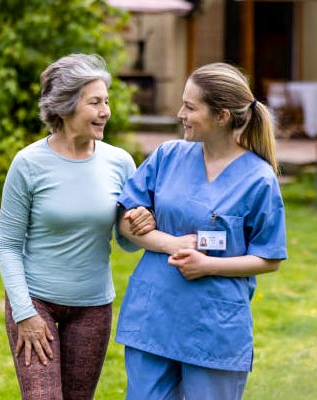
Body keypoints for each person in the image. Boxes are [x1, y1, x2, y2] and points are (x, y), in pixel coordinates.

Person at [116, 62, 287, 400]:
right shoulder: (167, 156)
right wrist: (170, 242)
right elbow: (124, 221)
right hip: (154, 317)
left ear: (221, 116)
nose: (180, 114)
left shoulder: (258, 178)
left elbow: (269, 258)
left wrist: (209, 265)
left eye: (190, 107)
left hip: (214, 329)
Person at [0, 53, 155, 400]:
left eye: (107, 101)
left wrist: (141, 223)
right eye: (95, 102)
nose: (106, 111)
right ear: (66, 107)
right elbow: (7, 244)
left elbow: (125, 242)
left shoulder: (120, 162)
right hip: (35, 301)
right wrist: (24, 313)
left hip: (93, 307)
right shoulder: (28, 163)